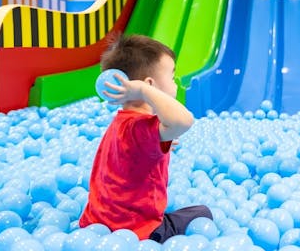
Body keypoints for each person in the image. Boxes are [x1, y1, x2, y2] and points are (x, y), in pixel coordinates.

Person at [79, 34, 212, 243]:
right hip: (137, 233)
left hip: (96, 225)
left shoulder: (122, 123)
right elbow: (184, 121)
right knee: (202, 212)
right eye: (171, 77)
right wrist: (142, 90)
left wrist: (162, 143)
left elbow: (132, 155)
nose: (175, 84)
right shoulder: (141, 128)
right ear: (150, 85)